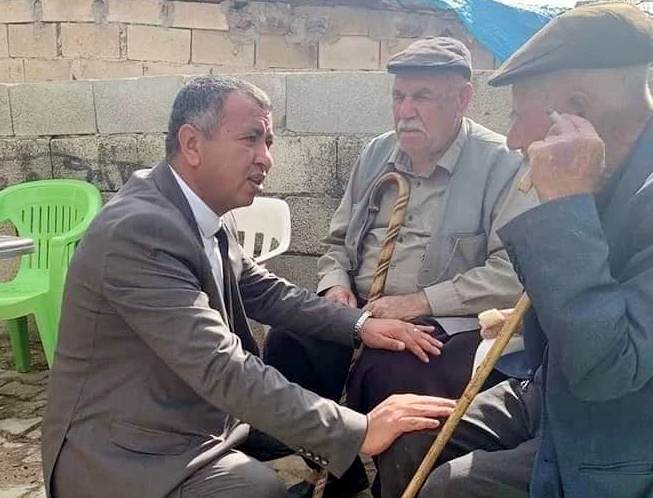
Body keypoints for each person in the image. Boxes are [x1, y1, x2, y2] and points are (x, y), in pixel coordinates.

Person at [40, 75, 459, 498]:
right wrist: (361, 429)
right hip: (127, 450)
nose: (266, 159)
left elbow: (267, 292)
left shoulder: (197, 213)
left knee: (311, 411)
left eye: (269, 142)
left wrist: (360, 324)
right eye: (251, 139)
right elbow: (218, 365)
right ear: (192, 144)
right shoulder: (139, 231)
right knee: (257, 489)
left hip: (191, 414)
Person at [375, 3, 653, 497]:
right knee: (408, 438)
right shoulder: (608, 172)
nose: (513, 138)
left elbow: (608, 369)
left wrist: (565, 206)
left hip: (622, 432)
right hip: (549, 393)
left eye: (520, 116)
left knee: (450, 489)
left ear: (578, 111)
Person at [263, 37, 536, 498]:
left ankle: (395, 488)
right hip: (363, 311)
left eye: (422, 96)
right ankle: (339, 475)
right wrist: (335, 289)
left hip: (447, 324)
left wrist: (416, 303)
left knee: (391, 373)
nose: (406, 111)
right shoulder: (377, 153)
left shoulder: (504, 165)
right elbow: (337, 243)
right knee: (289, 342)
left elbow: (511, 275)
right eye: (398, 96)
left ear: (463, 99)